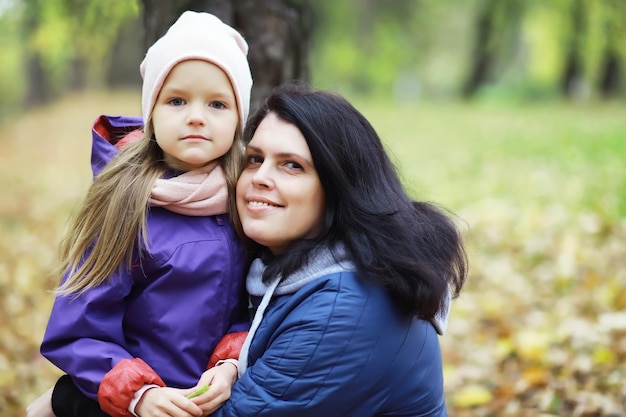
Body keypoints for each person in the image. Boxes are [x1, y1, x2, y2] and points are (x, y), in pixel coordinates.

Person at [26, 10, 253, 417]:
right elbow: (78, 330)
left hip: (212, 401)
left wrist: (231, 363)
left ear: (239, 119)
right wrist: (139, 394)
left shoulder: (246, 199)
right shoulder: (126, 204)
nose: (196, 116)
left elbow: (253, 307)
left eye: (218, 103)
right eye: (177, 100)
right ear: (152, 112)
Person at [207, 82, 467, 416]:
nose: (260, 177)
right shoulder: (288, 265)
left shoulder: (344, 307)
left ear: (338, 188)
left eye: (292, 165)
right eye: (255, 159)